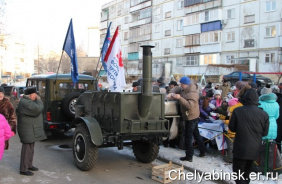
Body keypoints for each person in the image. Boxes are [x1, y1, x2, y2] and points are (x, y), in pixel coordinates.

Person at [229, 89, 269, 184]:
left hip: (240, 147)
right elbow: (265, 133)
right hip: (254, 148)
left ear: (245, 99)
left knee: (238, 173)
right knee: (247, 172)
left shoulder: (237, 111)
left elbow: (232, 128)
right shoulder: (264, 114)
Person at [167, 76, 205, 162]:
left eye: (182, 84)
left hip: (191, 117)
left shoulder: (192, 93)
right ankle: (202, 151)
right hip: (193, 116)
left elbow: (189, 106)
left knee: (188, 136)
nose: (180, 86)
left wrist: (179, 98)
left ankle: (189, 156)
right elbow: (177, 89)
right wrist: (171, 93)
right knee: (196, 134)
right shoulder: (185, 89)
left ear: (185, 84)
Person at [17, 87, 47, 176]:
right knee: (27, 149)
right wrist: (39, 100)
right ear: (31, 94)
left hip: (30, 129)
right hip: (27, 130)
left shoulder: (28, 101)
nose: (37, 96)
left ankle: (29, 165)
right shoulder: (25, 102)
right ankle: (23, 169)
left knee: (31, 148)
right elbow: (38, 109)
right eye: (35, 94)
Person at [222, 98, 243, 163]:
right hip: (238, 132)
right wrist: (221, 116)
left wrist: (225, 121)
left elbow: (232, 121)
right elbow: (229, 118)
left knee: (230, 146)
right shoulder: (239, 110)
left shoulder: (233, 111)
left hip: (232, 132)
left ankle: (230, 158)